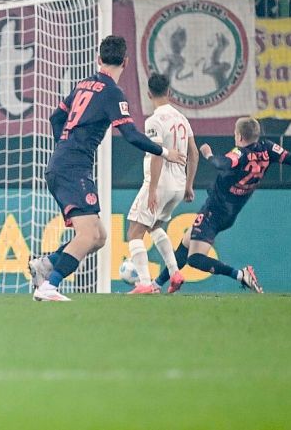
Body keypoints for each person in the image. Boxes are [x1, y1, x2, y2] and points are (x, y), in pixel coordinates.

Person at [28, 36, 186, 301]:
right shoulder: (113, 93)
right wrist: (166, 152)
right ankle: (49, 285)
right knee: (88, 234)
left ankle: (45, 264)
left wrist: (64, 145)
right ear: (126, 61)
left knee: (99, 237)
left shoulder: (83, 84)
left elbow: (55, 117)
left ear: (98, 59)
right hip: (72, 166)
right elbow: (131, 135)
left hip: (66, 163)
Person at [154, 117, 291, 292]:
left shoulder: (240, 153)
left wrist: (209, 154)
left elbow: (222, 164)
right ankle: (156, 285)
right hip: (231, 213)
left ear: (239, 135)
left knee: (194, 258)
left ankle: (240, 275)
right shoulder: (268, 149)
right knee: (185, 245)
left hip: (214, 210)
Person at [123, 73, 198, 294]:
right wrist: (189, 185)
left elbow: (157, 154)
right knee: (155, 227)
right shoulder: (182, 118)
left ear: (148, 94)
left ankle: (145, 282)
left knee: (134, 233)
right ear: (169, 92)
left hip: (161, 183)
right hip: (178, 184)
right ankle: (175, 272)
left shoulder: (154, 120)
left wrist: (153, 189)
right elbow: (194, 154)